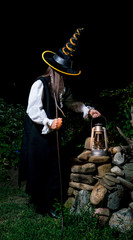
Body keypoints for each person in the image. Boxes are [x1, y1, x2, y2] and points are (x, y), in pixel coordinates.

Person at [18, 28, 101, 218]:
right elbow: (33, 110)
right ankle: (40, 204)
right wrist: (49, 122)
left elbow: (72, 104)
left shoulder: (63, 87)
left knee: (54, 167)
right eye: (62, 72)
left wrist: (88, 110)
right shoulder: (40, 83)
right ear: (54, 70)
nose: (64, 76)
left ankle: (51, 203)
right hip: (37, 134)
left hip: (53, 133)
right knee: (39, 167)